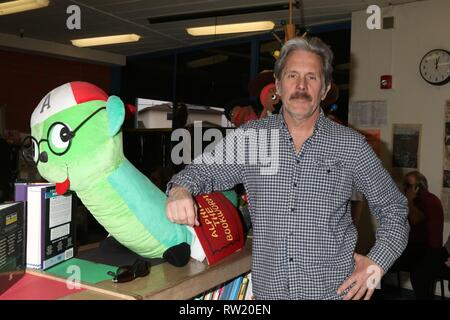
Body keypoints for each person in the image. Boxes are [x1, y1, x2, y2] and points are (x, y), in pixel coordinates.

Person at [165, 36, 409, 300]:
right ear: (278, 86)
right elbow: (200, 172)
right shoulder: (252, 139)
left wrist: (376, 264)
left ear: (325, 89)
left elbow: (394, 210)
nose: (301, 86)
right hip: (268, 295)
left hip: (332, 294)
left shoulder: (350, 145)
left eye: (312, 77)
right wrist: (180, 190)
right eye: (292, 75)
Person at [391, 171, 444, 299]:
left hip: (428, 252)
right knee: (376, 262)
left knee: (418, 276)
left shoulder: (429, 201)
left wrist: (409, 201)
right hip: (415, 249)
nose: (404, 188)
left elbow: (415, 220)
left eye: (407, 185)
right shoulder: (418, 201)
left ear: (417, 187)